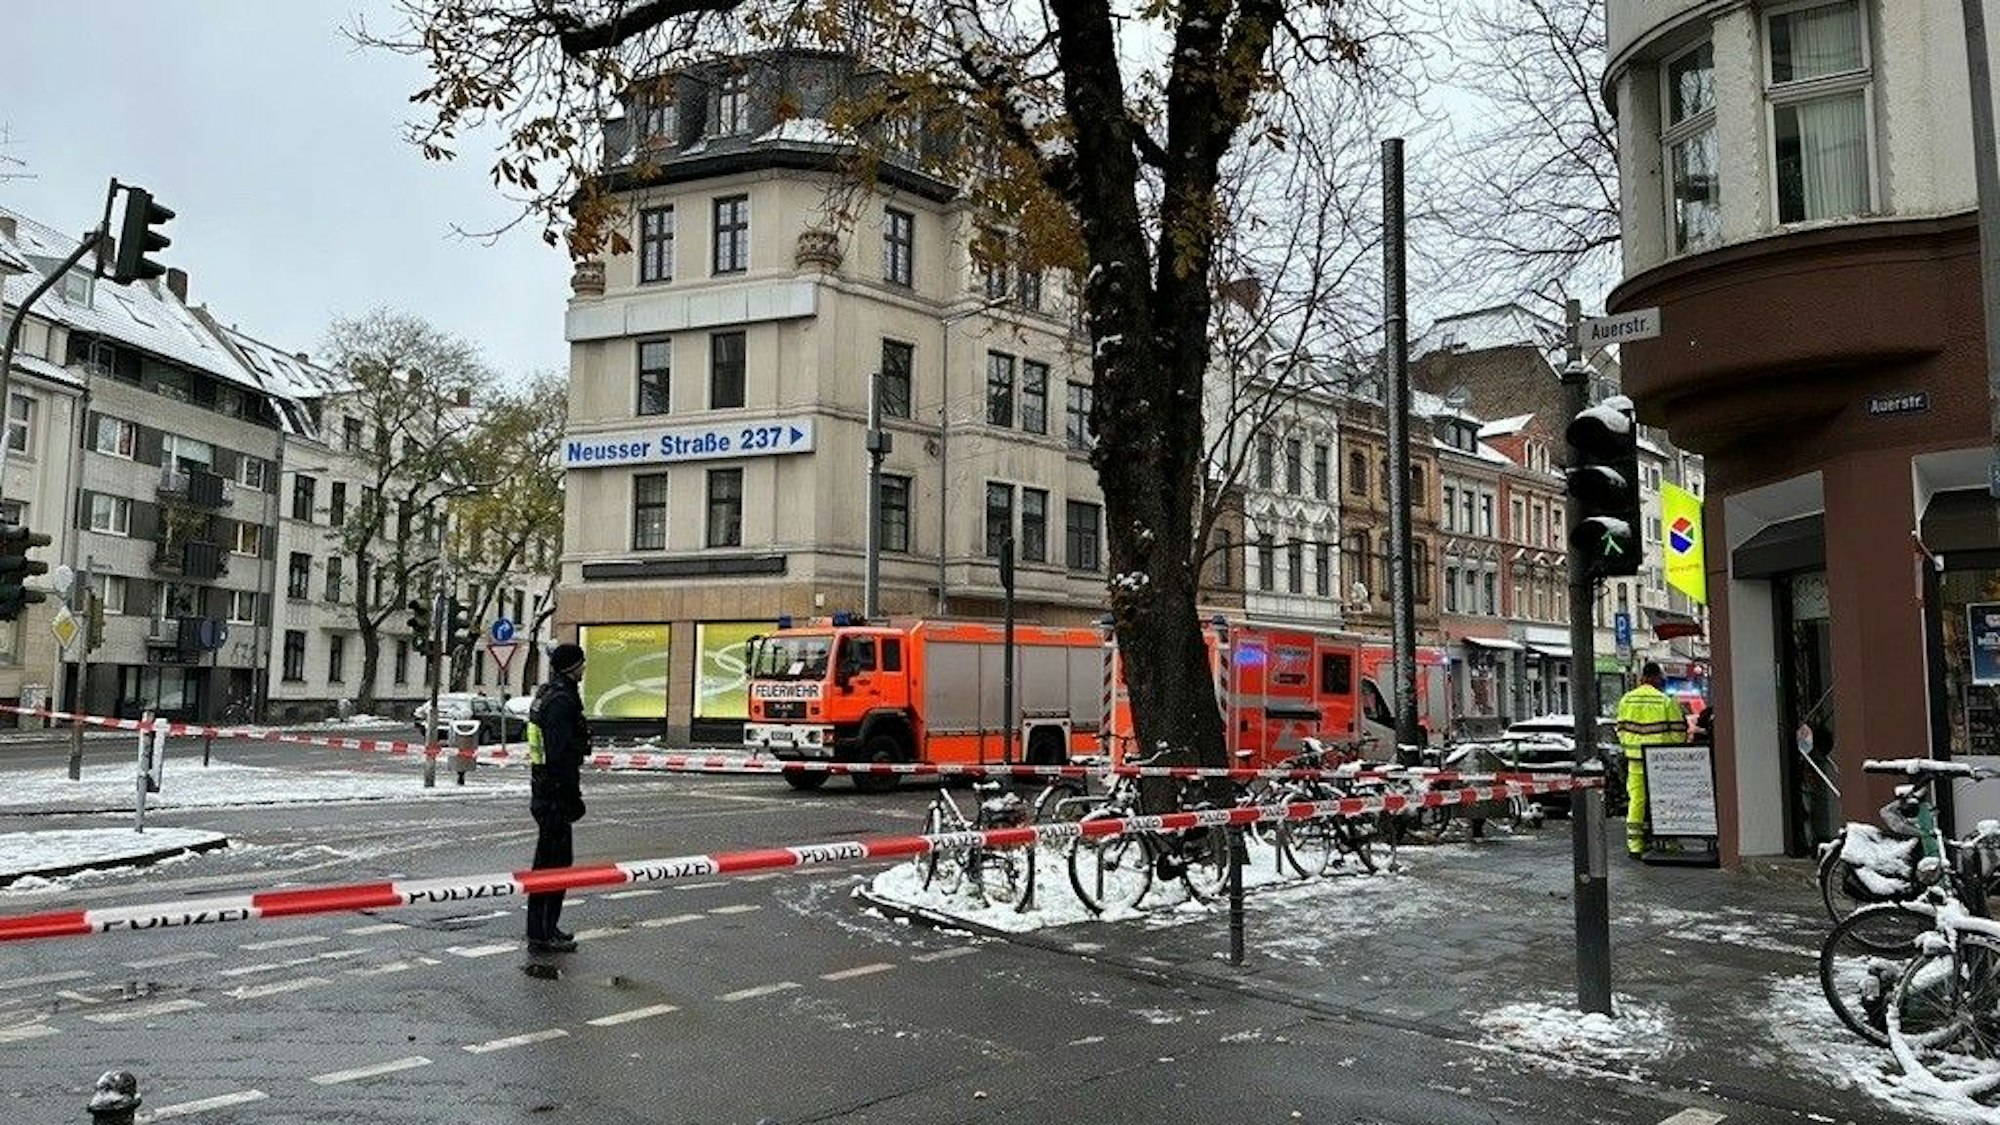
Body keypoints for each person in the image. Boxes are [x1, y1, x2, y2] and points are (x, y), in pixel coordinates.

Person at [525, 642, 590, 953]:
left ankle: (545, 927)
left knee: (547, 864)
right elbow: (560, 754)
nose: (584, 668)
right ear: (572, 667)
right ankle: (542, 932)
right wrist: (571, 798)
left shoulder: (547, 694)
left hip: (543, 790)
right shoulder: (562, 700)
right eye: (581, 664)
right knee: (554, 864)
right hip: (554, 794)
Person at [1615, 662, 1687, 860]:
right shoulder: (1665, 701)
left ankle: (1635, 844)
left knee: (1637, 801)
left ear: (1642, 677)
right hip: (1661, 762)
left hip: (1635, 761)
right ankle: (1671, 841)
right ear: (1656, 678)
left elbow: (1620, 730)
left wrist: (1632, 747)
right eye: (1661, 678)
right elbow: (1678, 734)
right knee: (1665, 800)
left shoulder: (1626, 700)